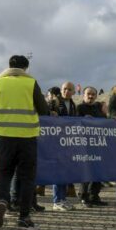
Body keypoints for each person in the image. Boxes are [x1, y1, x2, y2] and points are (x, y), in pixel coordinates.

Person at [0, 55, 49, 230]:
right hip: (27, 136)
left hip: (5, 135)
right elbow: (43, 109)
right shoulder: (30, 83)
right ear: (26, 68)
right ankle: (24, 218)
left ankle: (2, 200)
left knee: (5, 172)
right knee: (26, 177)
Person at [76, 86, 108, 206]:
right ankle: (83, 196)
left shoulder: (98, 108)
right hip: (85, 145)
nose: (90, 96)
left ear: (96, 96)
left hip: (99, 144)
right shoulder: (79, 108)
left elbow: (104, 123)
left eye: (93, 94)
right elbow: (73, 124)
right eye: (88, 94)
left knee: (98, 171)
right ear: (83, 95)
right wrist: (83, 120)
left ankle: (94, 195)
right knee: (87, 172)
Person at [52, 82, 77, 211]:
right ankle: (57, 200)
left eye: (69, 89)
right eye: (64, 89)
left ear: (73, 91)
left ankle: (63, 199)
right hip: (57, 142)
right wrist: (51, 114)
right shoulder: (54, 102)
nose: (66, 91)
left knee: (65, 172)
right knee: (58, 171)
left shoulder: (73, 104)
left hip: (68, 142)